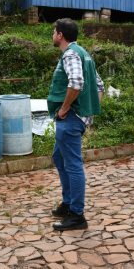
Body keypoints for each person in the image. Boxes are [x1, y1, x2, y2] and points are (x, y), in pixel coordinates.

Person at [47, 18, 104, 231]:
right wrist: (88, 115)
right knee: (59, 157)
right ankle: (68, 202)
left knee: (72, 165)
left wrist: (66, 109)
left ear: (60, 34)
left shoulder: (70, 54)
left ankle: (77, 215)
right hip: (76, 117)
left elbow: (76, 83)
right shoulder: (84, 54)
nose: (53, 35)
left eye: (54, 31)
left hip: (69, 118)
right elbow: (100, 85)